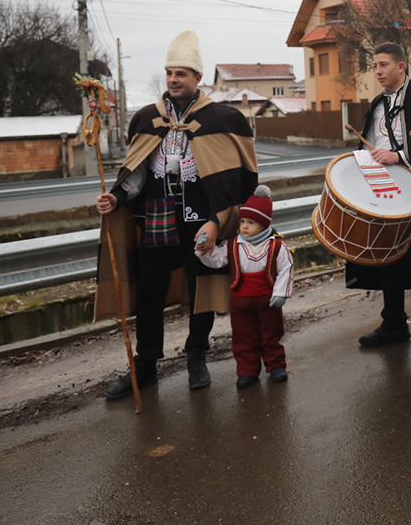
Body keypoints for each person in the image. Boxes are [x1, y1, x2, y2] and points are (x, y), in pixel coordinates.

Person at [95, 30, 258, 399]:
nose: (173, 79)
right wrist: (116, 198)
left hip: (203, 222)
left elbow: (239, 179)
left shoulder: (223, 119)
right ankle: (146, 365)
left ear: (197, 78)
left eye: (181, 73)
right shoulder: (147, 118)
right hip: (156, 218)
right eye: (169, 72)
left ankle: (196, 355)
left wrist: (219, 221)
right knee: (149, 293)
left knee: (201, 290)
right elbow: (135, 173)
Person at [348, 42, 411, 364]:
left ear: (401, 66)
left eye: (383, 65)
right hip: (382, 196)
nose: (378, 71)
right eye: (375, 66)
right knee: (386, 261)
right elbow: (373, 142)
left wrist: (399, 156)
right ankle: (393, 324)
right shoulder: (379, 103)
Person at [197, 185, 293, 389]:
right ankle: (247, 371)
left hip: (268, 300)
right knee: (243, 337)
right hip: (241, 301)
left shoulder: (276, 245)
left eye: (251, 222)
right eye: (242, 222)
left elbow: (286, 268)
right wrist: (203, 249)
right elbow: (216, 260)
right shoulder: (233, 244)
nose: (244, 227)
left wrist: (280, 293)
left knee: (271, 334)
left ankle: (276, 366)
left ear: (264, 224)